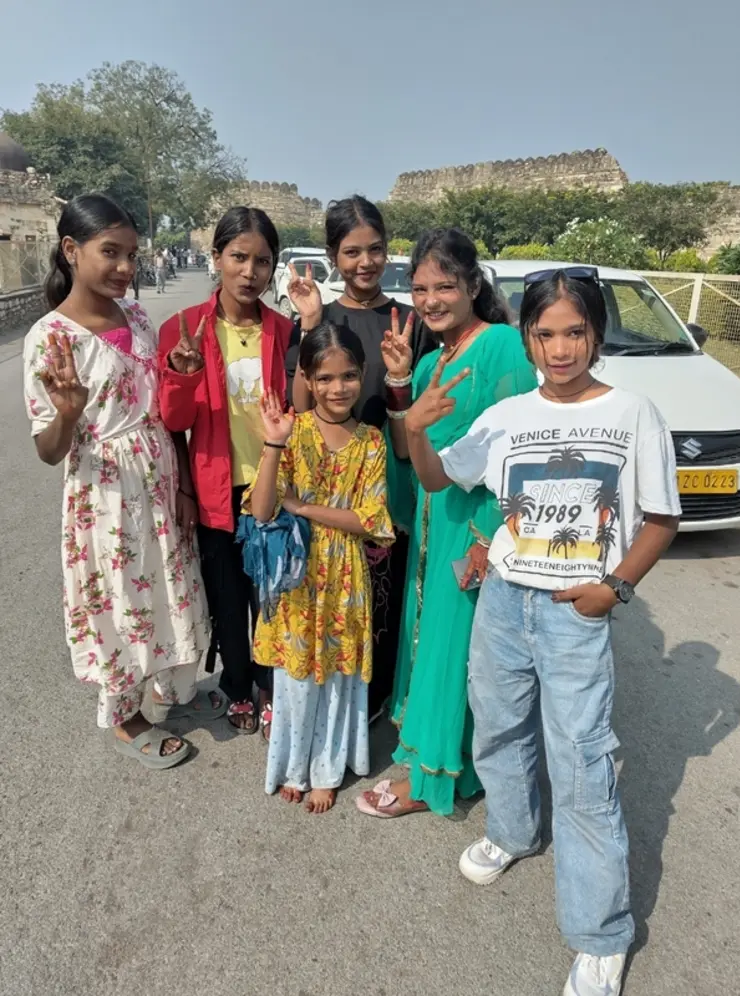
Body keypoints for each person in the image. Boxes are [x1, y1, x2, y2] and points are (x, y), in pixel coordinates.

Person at [403, 266, 681, 996]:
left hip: (572, 611)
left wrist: (615, 589)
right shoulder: (508, 416)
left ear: (596, 335)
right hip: (501, 601)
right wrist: (413, 429)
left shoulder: (631, 412)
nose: (560, 349)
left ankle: (599, 934)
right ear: (525, 334)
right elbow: (438, 482)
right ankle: (514, 830)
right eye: (545, 333)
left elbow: (660, 519)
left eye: (575, 332)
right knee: (498, 728)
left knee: (582, 762)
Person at [22, 194, 216, 769]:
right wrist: (68, 412)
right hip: (104, 495)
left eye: (132, 254)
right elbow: (48, 451)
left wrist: (181, 485)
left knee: (168, 584)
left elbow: (156, 410)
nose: (126, 268)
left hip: (157, 478)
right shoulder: (50, 338)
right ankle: (127, 717)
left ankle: (171, 688)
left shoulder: (135, 317)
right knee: (118, 599)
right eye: (111, 252)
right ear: (70, 250)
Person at [355, 228, 537, 819]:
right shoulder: (433, 358)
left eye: (445, 286)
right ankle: (441, 752)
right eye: (420, 288)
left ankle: (435, 775)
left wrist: (490, 537)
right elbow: (410, 455)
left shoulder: (502, 346)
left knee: (457, 644)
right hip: (434, 520)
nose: (431, 300)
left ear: (473, 286)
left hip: (475, 525)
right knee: (431, 638)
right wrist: (403, 386)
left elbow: (522, 451)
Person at [285, 195, 436, 722]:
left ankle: (376, 697)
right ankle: (325, 694)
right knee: (330, 589)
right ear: (333, 256)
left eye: (375, 249)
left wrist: (399, 377)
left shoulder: (412, 321)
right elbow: (298, 409)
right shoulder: (318, 318)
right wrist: (306, 324)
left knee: (385, 590)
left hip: (390, 471)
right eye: (351, 252)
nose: (365, 263)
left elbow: (413, 412)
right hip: (329, 480)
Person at [246, 322, 395, 813]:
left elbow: (370, 519)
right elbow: (263, 509)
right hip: (295, 575)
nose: (338, 388)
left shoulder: (371, 441)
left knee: (336, 675)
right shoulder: (292, 431)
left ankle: (327, 769)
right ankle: (292, 765)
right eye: (325, 378)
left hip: (346, 576)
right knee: (296, 676)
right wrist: (272, 445)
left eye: (349, 376)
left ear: (362, 374)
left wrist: (305, 507)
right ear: (307, 378)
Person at [158, 206, 294, 737]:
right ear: (216, 258)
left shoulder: (283, 330)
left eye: (262, 261)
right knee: (228, 596)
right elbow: (173, 420)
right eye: (238, 257)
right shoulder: (185, 328)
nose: (249, 271)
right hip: (217, 487)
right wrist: (182, 374)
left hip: (271, 483)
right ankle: (237, 684)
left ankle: (269, 683)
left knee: (272, 594)